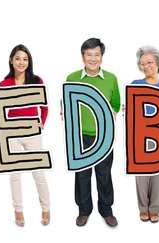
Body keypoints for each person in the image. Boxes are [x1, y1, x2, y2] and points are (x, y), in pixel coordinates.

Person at [0, 44, 50, 227]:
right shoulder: (4, 84)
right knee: (15, 174)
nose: (21, 62)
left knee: (39, 174)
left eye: (25, 59)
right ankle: (18, 211)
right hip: (12, 134)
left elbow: (44, 106)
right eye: (18, 58)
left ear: (29, 62)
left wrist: (41, 122)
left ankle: (46, 207)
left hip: (32, 133)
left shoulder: (36, 80)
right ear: (11, 60)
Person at [61, 38, 120, 227]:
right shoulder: (72, 78)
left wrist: (114, 110)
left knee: (104, 174)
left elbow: (116, 103)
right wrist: (63, 109)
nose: (93, 59)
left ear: (102, 57)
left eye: (97, 55)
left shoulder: (111, 78)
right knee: (82, 175)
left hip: (104, 136)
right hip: (79, 136)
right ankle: (83, 211)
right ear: (82, 56)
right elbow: (65, 101)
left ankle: (106, 210)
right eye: (89, 55)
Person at [121, 45, 159, 223]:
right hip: (140, 135)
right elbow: (130, 109)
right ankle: (143, 208)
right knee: (141, 174)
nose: (146, 66)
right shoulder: (136, 85)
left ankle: (155, 208)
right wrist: (126, 108)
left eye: (149, 62)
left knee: (158, 172)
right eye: (142, 63)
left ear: (158, 63)